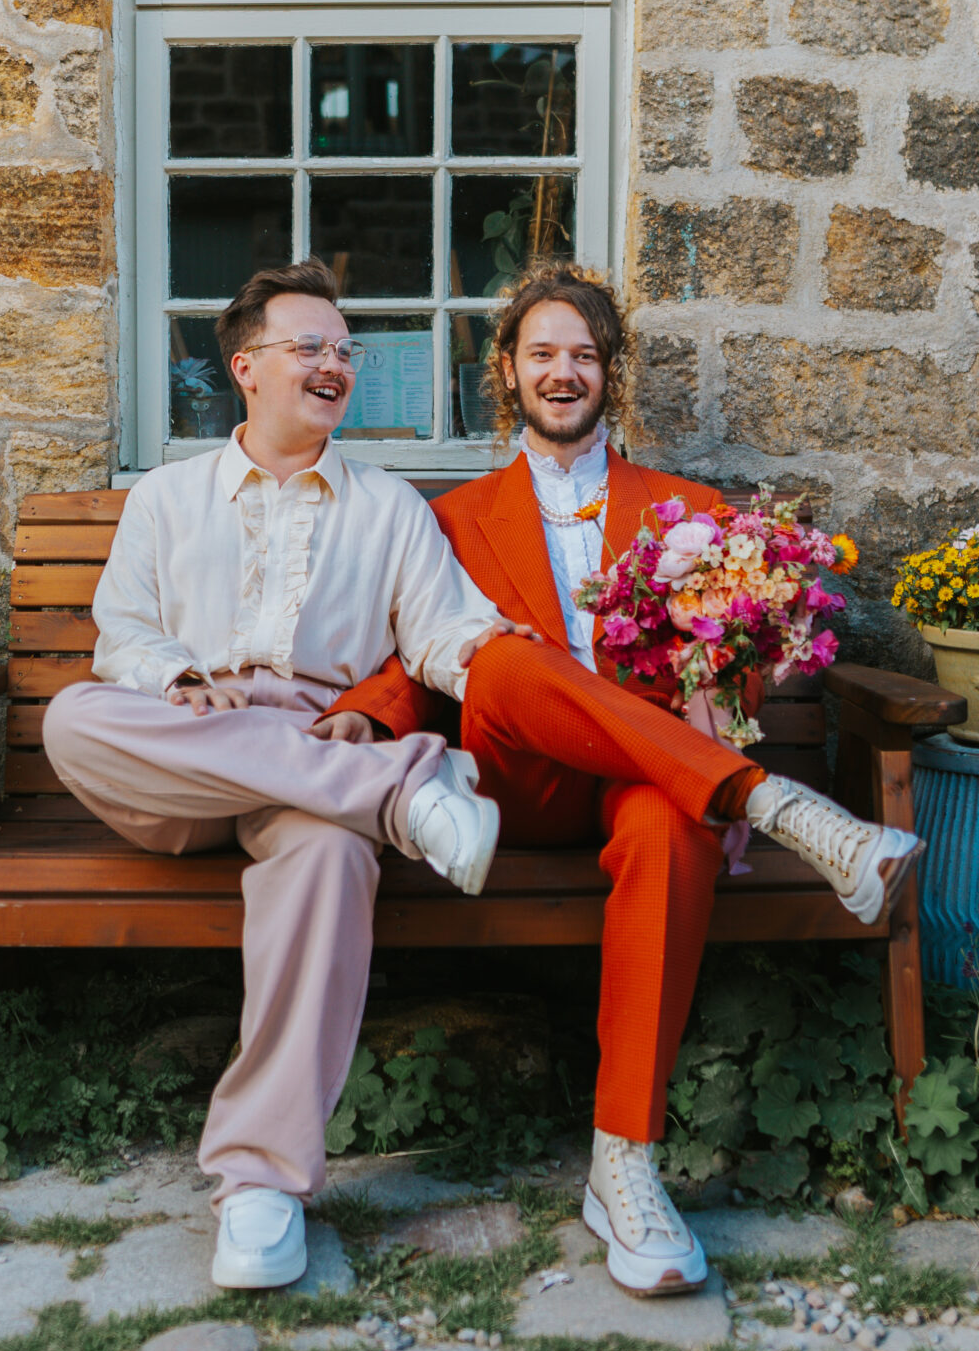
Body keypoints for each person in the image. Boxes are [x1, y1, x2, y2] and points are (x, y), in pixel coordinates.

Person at [323, 259, 920, 1298]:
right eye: (542, 354)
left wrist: (724, 707)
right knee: (497, 658)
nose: (564, 373)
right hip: (511, 783)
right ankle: (779, 807)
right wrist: (361, 719)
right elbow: (408, 659)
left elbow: (731, 662)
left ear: (611, 374)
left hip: (640, 780)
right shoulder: (451, 518)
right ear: (505, 371)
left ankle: (624, 1165)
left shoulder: (685, 511)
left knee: (669, 823)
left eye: (584, 356)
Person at [39, 258, 516, 1293]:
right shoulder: (165, 499)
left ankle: (260, 1182)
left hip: (312, 763)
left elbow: (443, 635)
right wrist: (180, 679)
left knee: (332, 859)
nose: (334, 364)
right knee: (74, 718)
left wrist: (515, 658)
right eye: (310, 346)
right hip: (180, 747)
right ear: (246, 366)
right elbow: (119, 636)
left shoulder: (388, 507)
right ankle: (404, 795)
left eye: (345, 350)